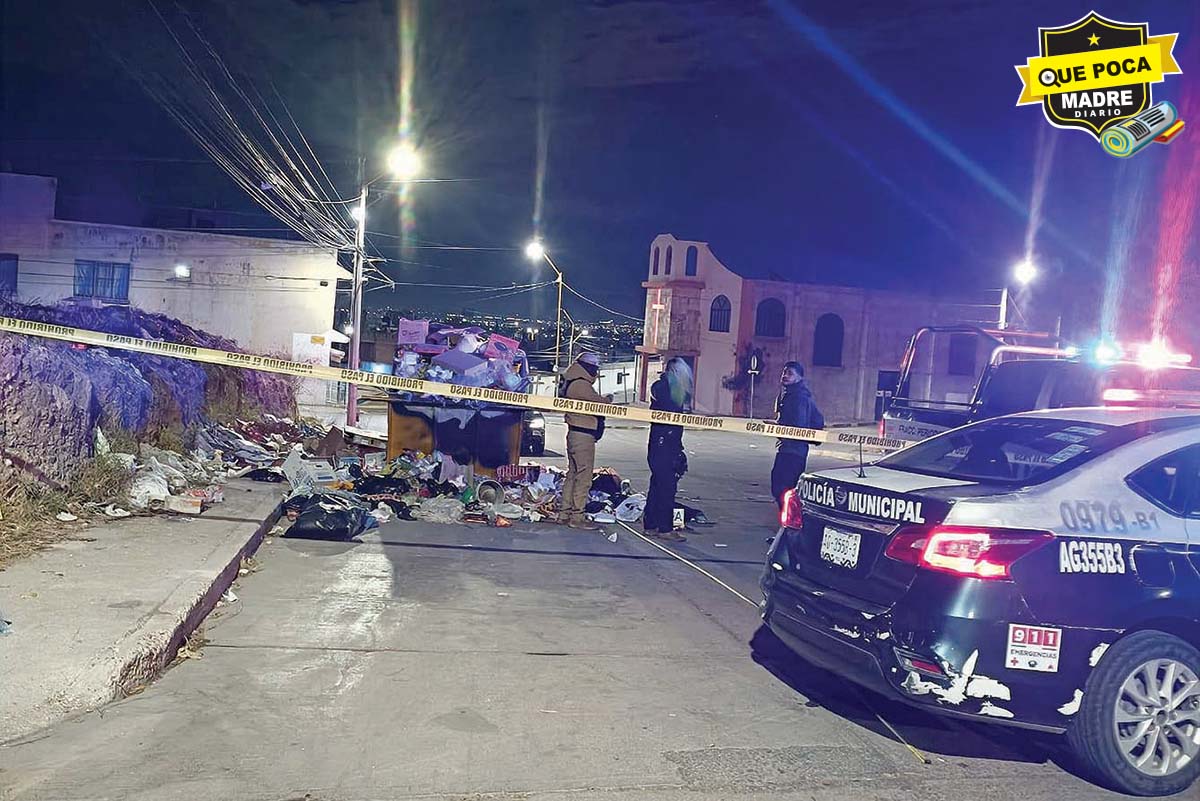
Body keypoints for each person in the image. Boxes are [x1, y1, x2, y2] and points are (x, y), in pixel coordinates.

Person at [557, 352, 613, 530]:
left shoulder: (574, 380)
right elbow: (597, 402)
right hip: (582, 436)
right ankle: (577, 517)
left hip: (576, 434)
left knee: (573, 475)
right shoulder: (580, 384)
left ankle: (565, 513)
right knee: (583, 477)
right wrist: (608, 400)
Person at [644, 358, 692, 542]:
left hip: (665, 443)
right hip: (663, 445)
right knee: (666, 487)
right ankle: (664, 528)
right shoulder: (665, 388)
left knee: (657, 485)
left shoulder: (671, 389)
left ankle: (651, 524)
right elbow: (668, 410)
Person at [771, 361, 825, 509]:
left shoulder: (798, 397)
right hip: (789, 448)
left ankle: (790, 524)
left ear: (799, 378)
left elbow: (798, 425)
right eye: (784, 372)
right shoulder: (791, 394)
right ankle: (788, 523)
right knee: (782, 487)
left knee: (782, 488)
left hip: (793, 451)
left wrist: (782, 431)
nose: (785, 376)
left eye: (790, 373)